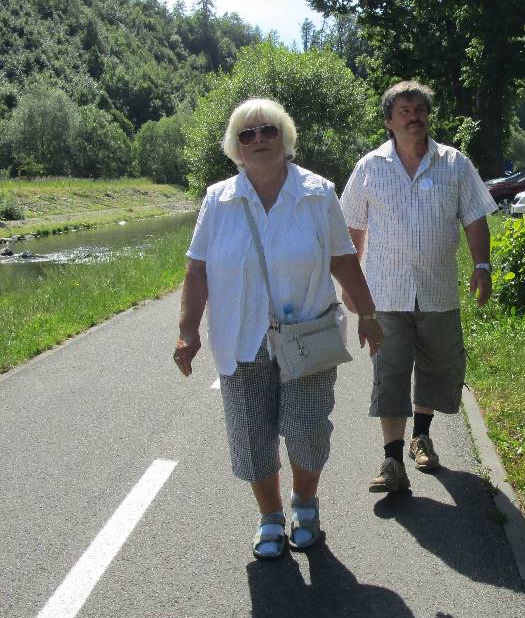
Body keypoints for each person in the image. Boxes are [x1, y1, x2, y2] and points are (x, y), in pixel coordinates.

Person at [173, 98, 383, 559]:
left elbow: (343, 259)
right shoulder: (219, 199)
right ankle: (270, 517)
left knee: (308, 431)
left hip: (306, 336)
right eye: (247, 134)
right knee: (252, 436)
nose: (258, 140)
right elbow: (197, 268)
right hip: (241, 340)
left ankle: (304, 503)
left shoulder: (317, 193)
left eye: (268, 130)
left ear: (284, 137)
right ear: (235, 146)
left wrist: (367, 315)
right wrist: (188, 331)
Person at [339, 81, 497, 493]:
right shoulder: (369, 167)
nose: (414, 117)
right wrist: (351, 287)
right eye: (405, 111)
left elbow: (475, 217)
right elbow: (351, 229)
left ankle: (421, 437)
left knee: (436, 368)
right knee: (389, 373)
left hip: (437, 291)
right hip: (385, 294)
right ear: (389, 122)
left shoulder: (454, 164)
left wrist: (482, 265)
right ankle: (392, 460)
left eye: (420, 110)